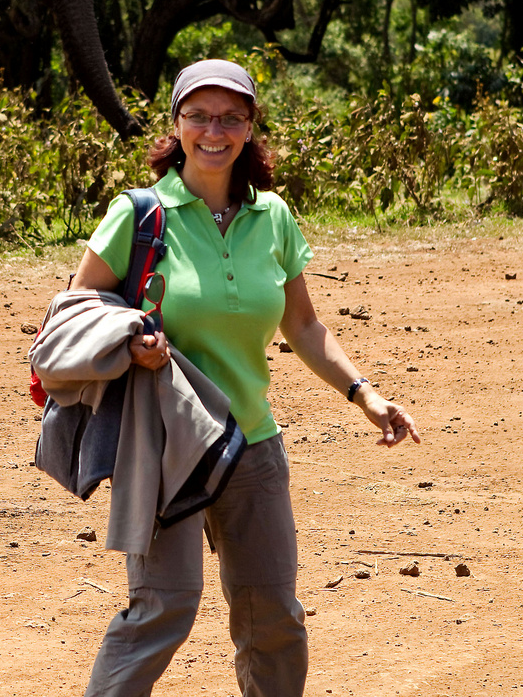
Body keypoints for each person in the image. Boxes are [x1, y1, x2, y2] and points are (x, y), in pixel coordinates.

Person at [72, 59, 420, 697]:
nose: (214, 130)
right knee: (163, 609)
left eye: (231, 117)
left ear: (250, 127)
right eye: (199, 116)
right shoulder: (140, 214)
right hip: (164, 444)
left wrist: (363, 394)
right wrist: (131, 342)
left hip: (251, 443)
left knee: (274, 620)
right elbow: (77, 309)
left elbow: (305, 326)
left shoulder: (273, 217)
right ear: (176, 126)